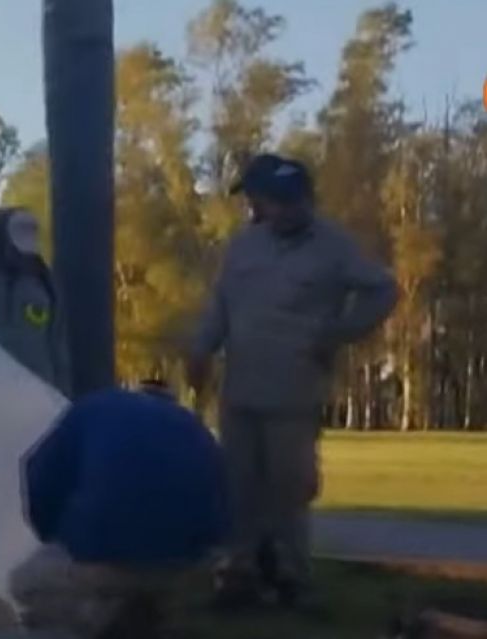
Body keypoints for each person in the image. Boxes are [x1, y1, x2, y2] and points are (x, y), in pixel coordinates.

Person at [188, 153, 398, 609]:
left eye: (262, 199)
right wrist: (201, 348)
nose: (257, 208)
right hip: (240, 388)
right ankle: (238, 574)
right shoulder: (243, 246)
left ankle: (291, 577)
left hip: (294, 389)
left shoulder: (334, 246)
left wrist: (339, 333)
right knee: (238, 485)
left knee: (289, 486)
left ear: (294, 200)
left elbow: (384, 290)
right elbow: (221, 306)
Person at [14, 387, 227, 639]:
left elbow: (39, 477)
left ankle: (98, 616)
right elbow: (220, 513)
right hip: (184, 569)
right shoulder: (193, 427)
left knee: (22, 583)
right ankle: (158, 608)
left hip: (106, 562)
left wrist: (56, 535)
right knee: (164, 581)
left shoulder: (90, 410)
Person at [0, 209, 71, 395]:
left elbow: (57, 343)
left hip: (37, 391)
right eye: (20, 231)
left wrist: (64, 396)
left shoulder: (44, 281)